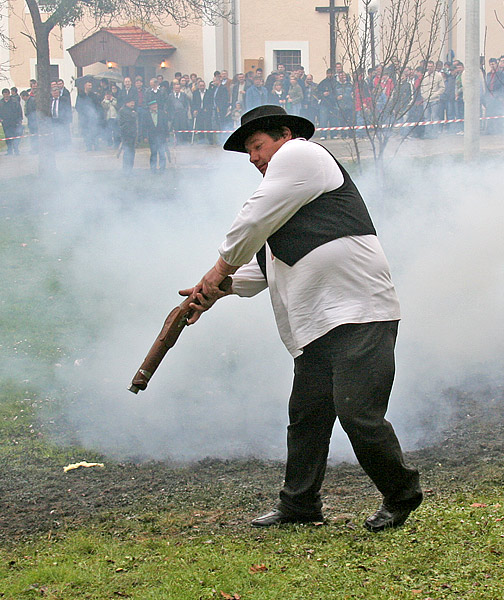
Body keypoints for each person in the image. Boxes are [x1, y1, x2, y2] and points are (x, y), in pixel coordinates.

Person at [180, 105, 423, 531]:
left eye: (257, 146)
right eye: (249, 154)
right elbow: (263, 272)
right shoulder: (284, 206)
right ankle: (300, 505)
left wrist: (218, 270)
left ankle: (402, 492)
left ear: (284, 136)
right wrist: (218, 291)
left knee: (357, 414)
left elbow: (251, 219)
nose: (254, 158)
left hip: (359, 310)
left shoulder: (301, 155)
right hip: (316, 326)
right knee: (307, 419)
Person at [0, 88, 23, 155]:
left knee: (16, 136)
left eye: (7, 94)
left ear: (9, 94)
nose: (6, 96)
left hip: (14, 122)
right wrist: (0, 119)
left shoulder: (14, 101)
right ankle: (9, 150)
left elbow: (19, 110)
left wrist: (19, 119)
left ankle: (16, 149)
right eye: (4, 95)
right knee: (7, 136)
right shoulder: (0, 102)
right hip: (5, 123)